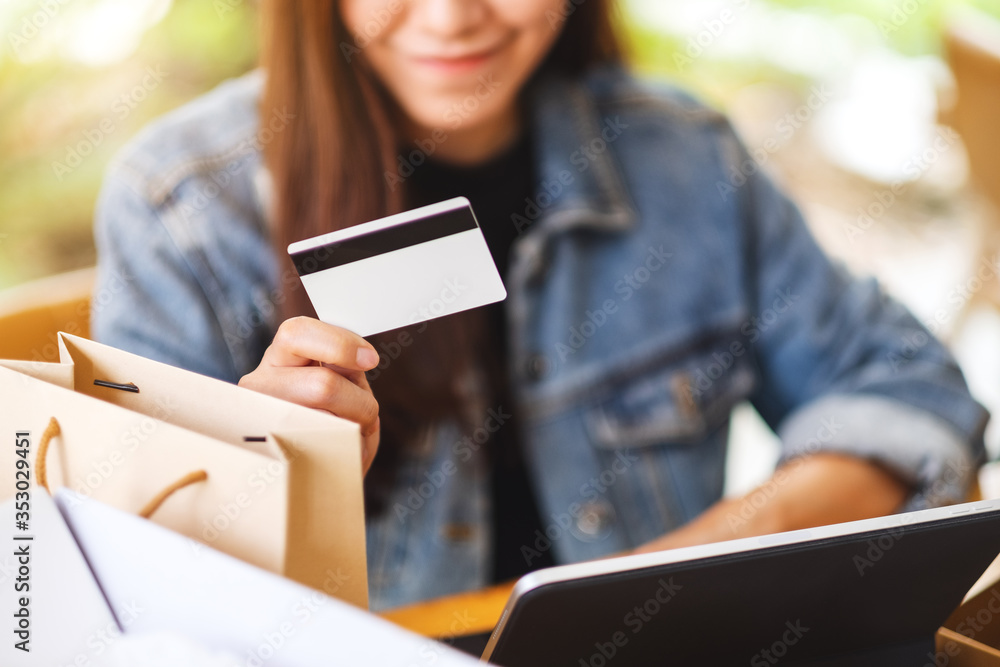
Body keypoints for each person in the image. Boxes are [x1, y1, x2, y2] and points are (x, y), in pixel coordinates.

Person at [92, 0, 987, 611]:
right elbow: (122, 583)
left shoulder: (687, 159)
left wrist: (679, 571)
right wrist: (268, 476)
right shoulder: (181, 208)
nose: (450, 17)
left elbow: (914, 394)